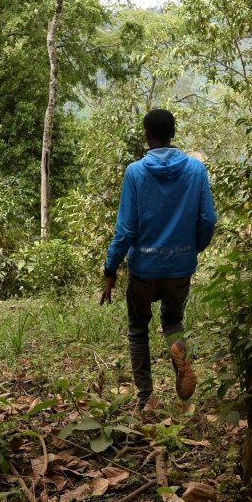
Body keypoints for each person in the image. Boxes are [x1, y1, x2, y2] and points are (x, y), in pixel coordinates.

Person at [100, 109, 216, 408]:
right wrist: (193, 249)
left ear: (146, 135)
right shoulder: (195, 170)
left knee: (138, 330)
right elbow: (208, 219)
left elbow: (126, 229)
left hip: (144, 268)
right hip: (180, 266)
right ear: (173, 133)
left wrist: (110, 267)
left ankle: (146, 397)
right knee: (173, 321)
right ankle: (178, 350)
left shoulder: (136, 172)